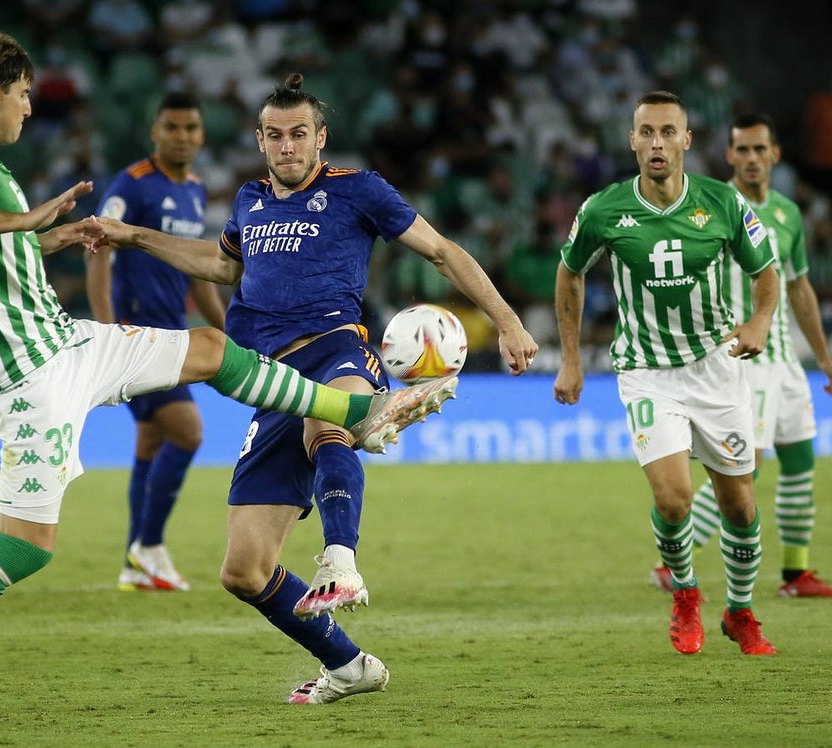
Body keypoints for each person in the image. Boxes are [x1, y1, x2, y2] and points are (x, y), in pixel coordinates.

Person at [0, 26, 457, 738]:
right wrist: (28, 217)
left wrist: (47, 238)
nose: (27, 109)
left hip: (67, 340)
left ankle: (360, 413)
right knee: (25, 548)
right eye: (20, 95)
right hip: (31, 376)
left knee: (208, 347)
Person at [89, 73, 538, 704]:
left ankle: (340, 558)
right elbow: (221, 266)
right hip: (270, 380)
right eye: (274, 136)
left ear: (320, 137)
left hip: (338, 346)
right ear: (261, 140)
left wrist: (507, 320)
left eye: (299, 134)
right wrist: (132, 235)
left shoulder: (358, 191)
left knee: (325, 419)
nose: (286, 147)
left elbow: (440, 250)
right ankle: (350, 666)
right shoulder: (249, 200)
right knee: (244, 571)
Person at [554, 91, 781, 657]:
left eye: (668, 132)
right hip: (646, 371)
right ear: (632, 141)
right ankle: (685, 595)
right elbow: (570, 272)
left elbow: (766, 270)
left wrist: (758, 321)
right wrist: (573, 356)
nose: (657, 143)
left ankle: (741, 611)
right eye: (646, 132)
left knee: (740, 505)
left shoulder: (723, 203)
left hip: (717, 368)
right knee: (675, 497)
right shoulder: (604, 209)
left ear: (687, 140)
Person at [648, 112, 832, 598]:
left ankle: (795, 574)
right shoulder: (712, 205)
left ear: (775, 154)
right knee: (745, 469)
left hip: (787, 360)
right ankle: (671, 565)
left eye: (759, 150)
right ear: (729, 155)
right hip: (740, 358)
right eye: (742, 151)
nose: (751, 159)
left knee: (799, 461)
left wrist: (825, 357)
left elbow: (798, 288)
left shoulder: (789, 214)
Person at [85, 91, 225, 592]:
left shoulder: (196, 190)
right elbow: (96, 250)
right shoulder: (133, 184)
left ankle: (134, 561)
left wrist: (228, 329)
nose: (183, 136)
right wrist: (106, 330)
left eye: (191, 128)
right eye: (173, 127)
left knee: (152, 440)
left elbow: (198, 272)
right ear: (155, 132)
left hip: (173, 332)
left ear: (201, 134)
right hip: (137, 335)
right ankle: (148, 544)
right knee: (187, 432)